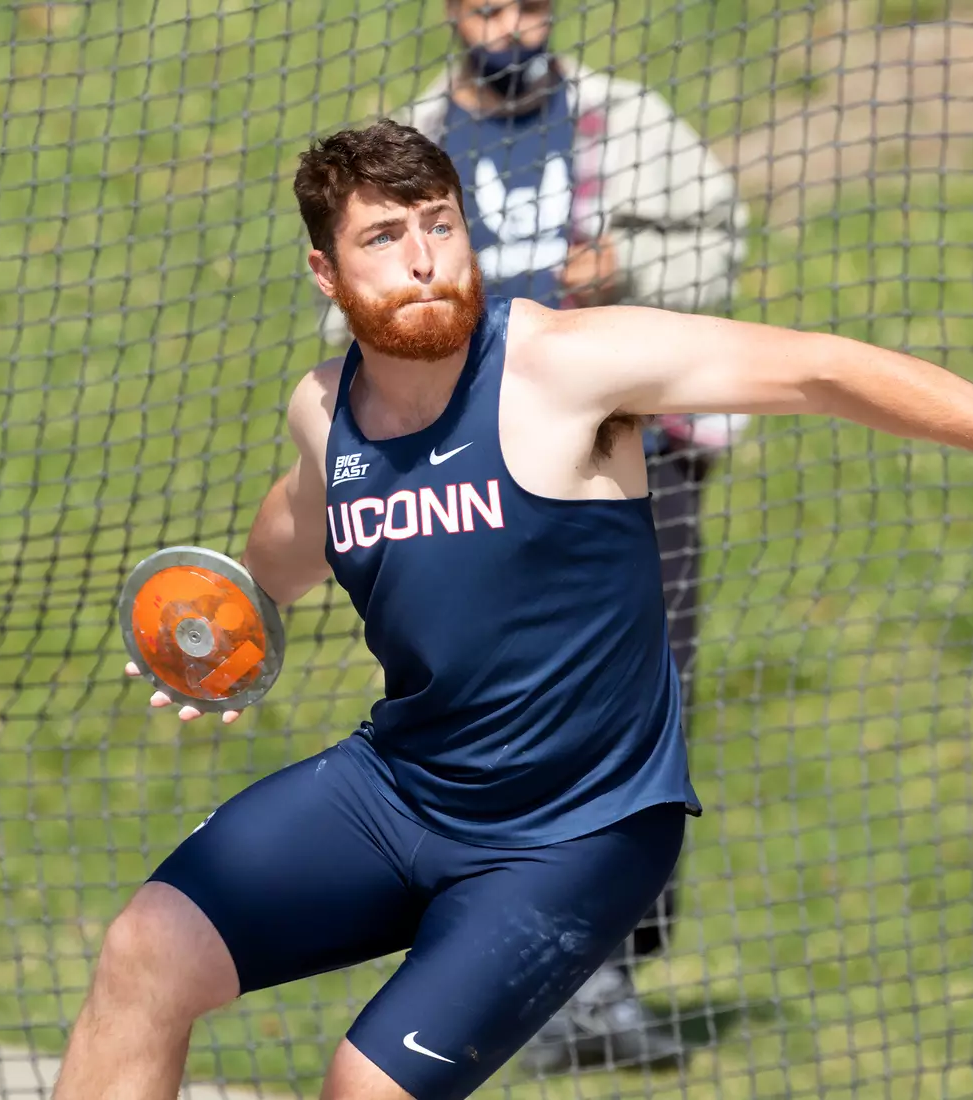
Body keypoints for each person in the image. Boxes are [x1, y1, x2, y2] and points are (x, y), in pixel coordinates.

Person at [55, 119, 973, 1100]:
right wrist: (216, 641)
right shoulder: (324, 409)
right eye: (385, 237)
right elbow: (287, 546)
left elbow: (816, 370)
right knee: (146, 948)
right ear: (326, 272)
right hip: (405, 790)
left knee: (364, 1087)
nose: (426, 258)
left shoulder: (567, 368)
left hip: (575, 831)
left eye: (441, 225)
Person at [315, 2, 749, 1069]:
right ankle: (490, 966)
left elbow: (717, 246)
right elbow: (349, 325)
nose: (512, 23)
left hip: (616, 468)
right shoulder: (415, 145)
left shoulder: (625, 121)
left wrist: (627, 282)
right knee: (471, 710)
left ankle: (603, 974)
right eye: (488, 5)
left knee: (638, 714)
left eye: (532, 4)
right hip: (465, 483)